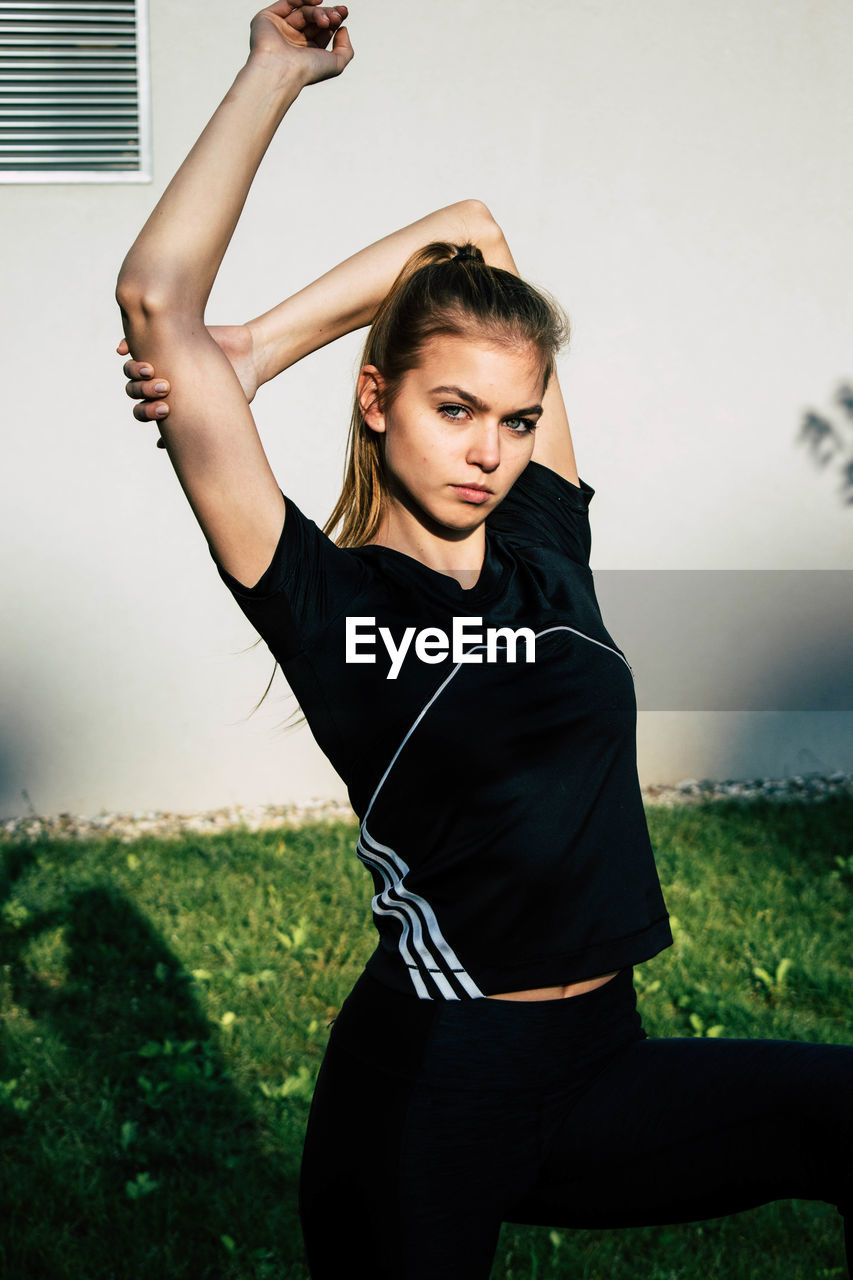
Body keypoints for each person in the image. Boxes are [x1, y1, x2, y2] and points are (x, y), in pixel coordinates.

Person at [116, 4, 853, 1277]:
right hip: (428, 1093)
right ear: (378, 396)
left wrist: (251, 344)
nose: (488, 448)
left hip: (601, 1060)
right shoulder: (318, 595)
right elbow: (153, 295)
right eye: (454, 407)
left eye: (514, 418)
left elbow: (478, 239)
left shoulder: (545, 545)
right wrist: (274, 73)